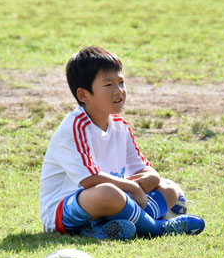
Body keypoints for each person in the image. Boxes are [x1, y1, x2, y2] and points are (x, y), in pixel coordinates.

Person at [39, 46, 205, 240]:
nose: (119, 91)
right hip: (64, 212)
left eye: (121, 82)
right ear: (83, 95)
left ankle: (98, 229)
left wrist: (152, 178)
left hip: (112, 202)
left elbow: (143, 169)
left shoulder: (120, 126)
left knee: (169, 188)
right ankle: (156, 228)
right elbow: (89, 179)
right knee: (109, 193)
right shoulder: (75, 126)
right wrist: (132, 187)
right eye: (108, 85)